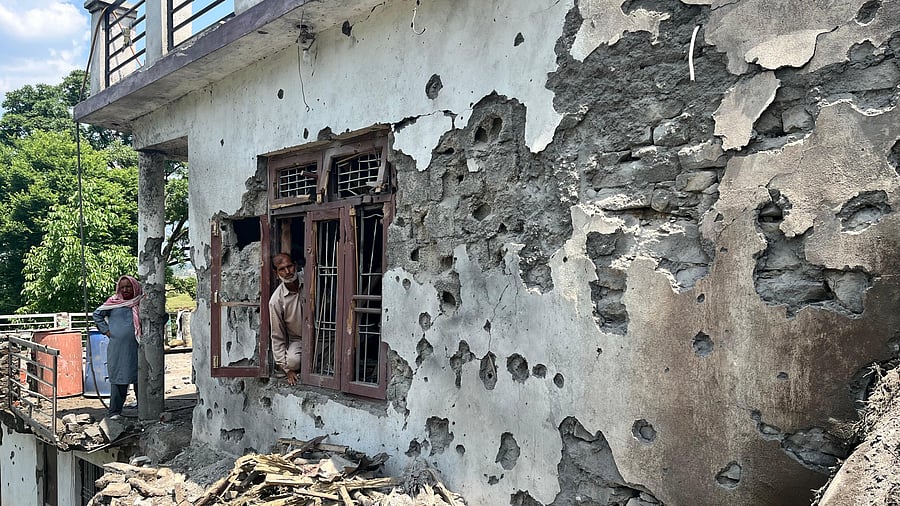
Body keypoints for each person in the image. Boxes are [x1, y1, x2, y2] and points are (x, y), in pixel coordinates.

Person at [92, 275, 143, 419]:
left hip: (140, 347)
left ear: (135, 287)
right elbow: (97, 315)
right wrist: (107, 331)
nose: (126, 290)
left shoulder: (142, 302)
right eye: (123, 287)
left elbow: (161, 316)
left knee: (141, 379)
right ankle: (115, 412)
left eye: (129, 287)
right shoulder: (113, 302)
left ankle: (144, 411)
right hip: (119, 350)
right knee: (120, 379)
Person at [269, 252, 303, 385]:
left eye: (290, 266)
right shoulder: (276, 301)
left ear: (295, 265)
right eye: (282, 269)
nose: (288, 271)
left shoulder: (310, 279)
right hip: (299, 340)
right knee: (293, 362)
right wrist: (287, 369)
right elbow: (277, 336)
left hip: (324, 334)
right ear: (276, 273)